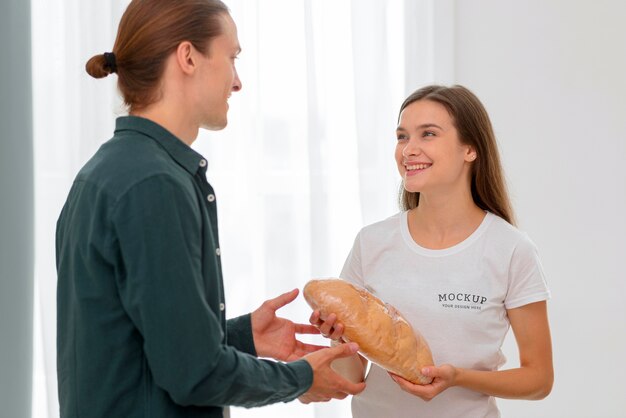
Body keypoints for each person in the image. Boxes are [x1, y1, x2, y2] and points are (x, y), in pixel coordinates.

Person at [55, 1, 365, 417]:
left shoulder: (107, 171)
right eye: (231, 57)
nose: (237, 82)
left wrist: (241, 336)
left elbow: (145, 350)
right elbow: (195, 374)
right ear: (187, 57)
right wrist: (301, 378)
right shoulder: (154, 185)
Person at [309, 85, 553, 417]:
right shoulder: (372, 242)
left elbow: (539, 379)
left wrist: (457, 378)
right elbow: (350, 377)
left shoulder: (510, 249)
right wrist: (339, 339)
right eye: (402, 136)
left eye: (428, 134)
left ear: (470, 149)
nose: (409, 149)